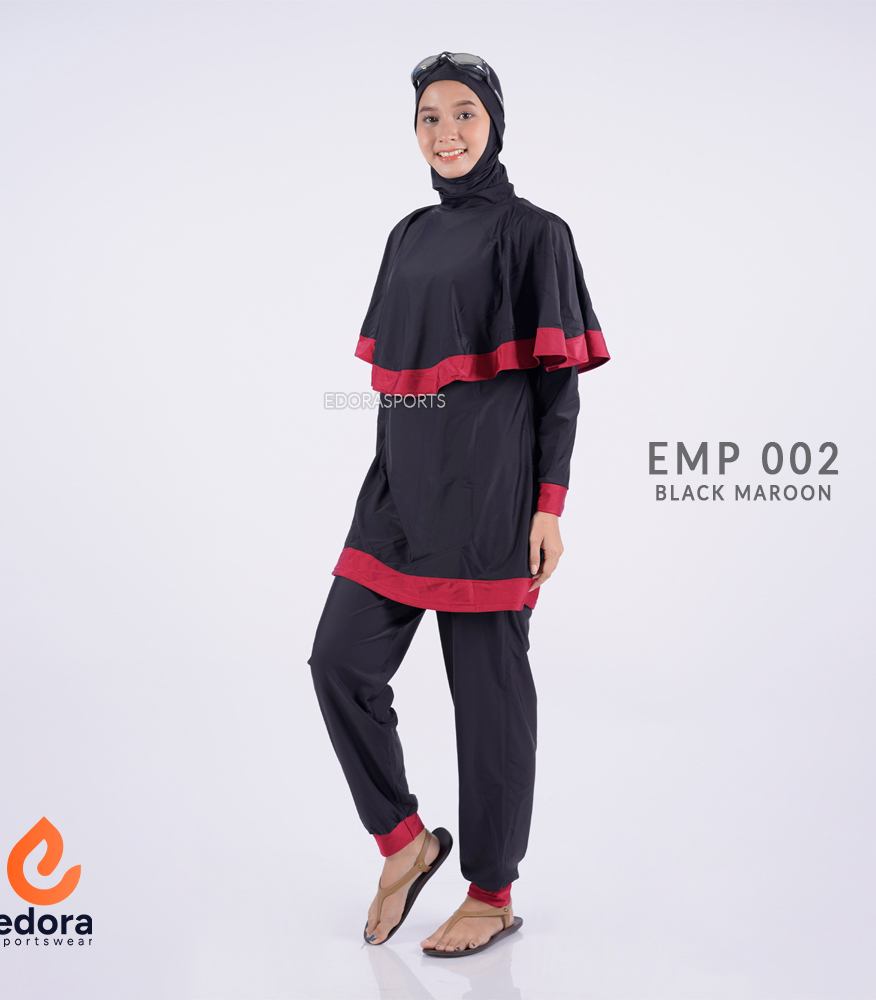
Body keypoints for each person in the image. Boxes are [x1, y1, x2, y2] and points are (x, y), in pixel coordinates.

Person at [308, 51, 609, 957]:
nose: (446, 132)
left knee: (487, 702)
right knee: (338, 660)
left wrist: (549, 506)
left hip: (490, 499)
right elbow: (398, 380)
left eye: (465, 114)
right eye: (429, 117)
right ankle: (404, 841)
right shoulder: (406, 234)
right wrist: (385, 481)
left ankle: (491, 891)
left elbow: (558, 389)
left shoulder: (536, 233)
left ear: (495, 124)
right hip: (399, 493)